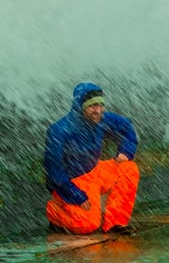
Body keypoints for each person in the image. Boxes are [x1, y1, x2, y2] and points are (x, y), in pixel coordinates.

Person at [43, 82, 140, 234]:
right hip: (74, 181)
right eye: (92, 106)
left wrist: (126, 151)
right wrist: (76, 195)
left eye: (101, 105)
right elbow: (54, 171)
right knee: (87, 225)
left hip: (96, 171)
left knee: (128, 168)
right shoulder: (59, 131)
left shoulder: (103, 119)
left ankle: (115, 224)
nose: (98, 110)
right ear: (80, 107)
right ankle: (55, 211)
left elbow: (127, 127)